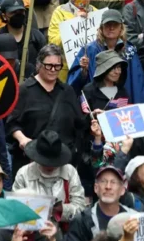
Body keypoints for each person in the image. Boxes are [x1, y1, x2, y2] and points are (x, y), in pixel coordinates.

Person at [7, 45, 86, 174]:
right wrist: (22, 139)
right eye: (49, 66)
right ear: (39, 64)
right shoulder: (24, 90)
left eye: (57, 66)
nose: (53, 70)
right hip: (31, 161)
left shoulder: (67, 91)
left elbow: (79, 124)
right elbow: (11, 123)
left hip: (62, 162)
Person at [59, 165, 135, 241]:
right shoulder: (81, 220)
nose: (108, 187)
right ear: (95, 188)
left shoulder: (134, 217)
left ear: (122, 190)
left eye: (113, 182)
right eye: (103, 182)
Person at [67, 9, 144, 106]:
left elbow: (138, 83)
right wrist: (83, 71)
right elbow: (73, 84)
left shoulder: (129, 50)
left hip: (124, 103)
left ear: (121, 28)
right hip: (97, 103)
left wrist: (143, 108)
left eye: (115, 24)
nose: (111, 28)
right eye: (107, 24)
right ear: (101, 27)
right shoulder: (89, 50)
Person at [13, 130, 86, 223]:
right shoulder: (23, 174)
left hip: (64, 228)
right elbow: (15, 208)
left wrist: (62, 210)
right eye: (45, 163)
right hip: (32, 227)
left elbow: (80, 207)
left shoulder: (70, 172)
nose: (49, 166)